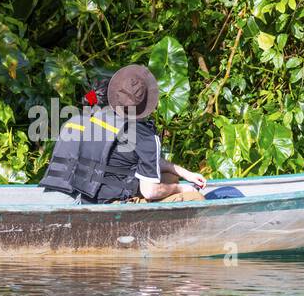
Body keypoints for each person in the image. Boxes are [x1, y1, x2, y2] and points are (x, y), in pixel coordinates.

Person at [40, 63, 206, 203]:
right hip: (109, 201)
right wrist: (181, 188)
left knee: (171, 177)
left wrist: (185, 173)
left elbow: (143, 159)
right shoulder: (145, 136)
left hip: (79, 193)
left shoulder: (94, 119)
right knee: (195, 197)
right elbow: (149, 191)